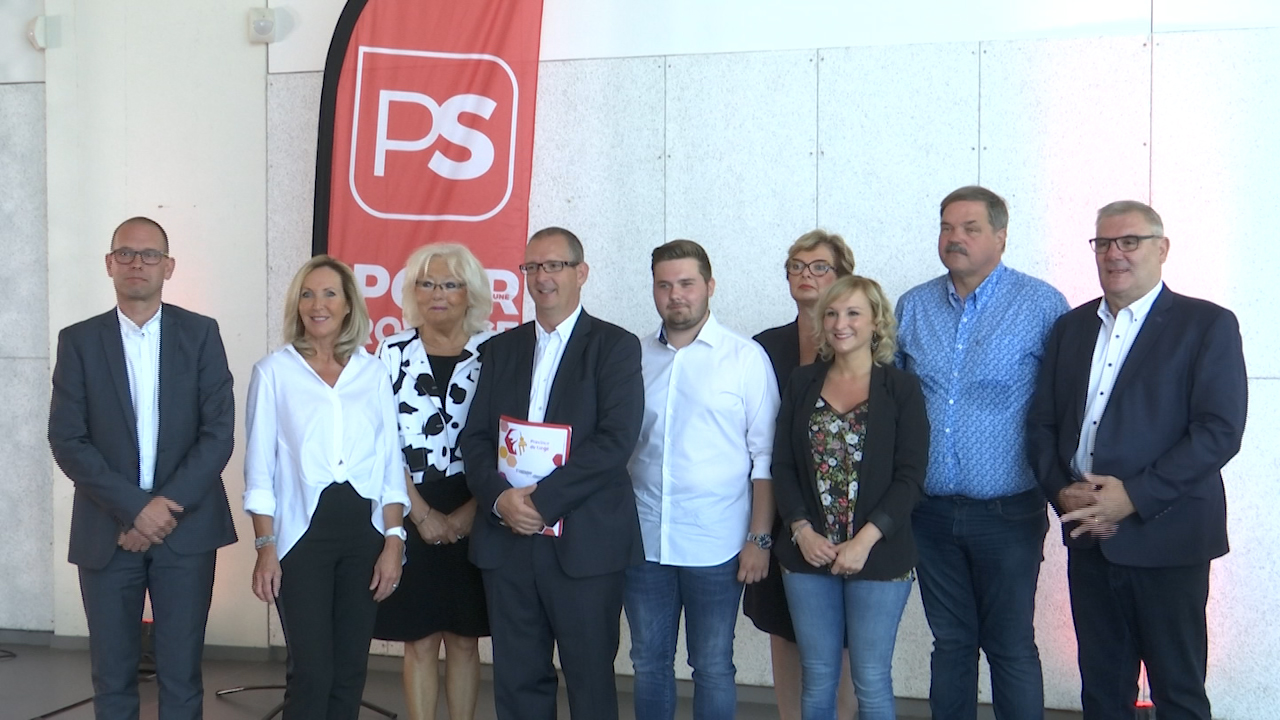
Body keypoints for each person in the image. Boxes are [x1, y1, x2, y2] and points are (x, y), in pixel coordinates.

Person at [1027, 201, 1247, 720]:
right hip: (1090, 540)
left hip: (1168, 538)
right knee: (1102, 695)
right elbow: (1041, 426)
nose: (1114, 254)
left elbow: (1218, 431)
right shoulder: (1071, 328)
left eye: (1130, 241)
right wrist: (1061, 492)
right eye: (1103, 243)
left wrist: (1133, 497)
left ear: (1162, 248)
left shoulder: (1206, 324)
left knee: (1178, 693)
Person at [49, 216, 237, 720]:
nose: (138, 263)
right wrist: (135, 509)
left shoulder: (201, 334)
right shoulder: (79, 341)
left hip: (186, 530)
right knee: (111, 679)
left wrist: (161, 511)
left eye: (150, 254)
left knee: (182, 677)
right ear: (109, 264)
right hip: (107, 531)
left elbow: (218, 433)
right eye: (126, 254)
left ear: (168, 266)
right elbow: (67, 439)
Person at [895, 186, 1067, 720]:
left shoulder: (1042, 305)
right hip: (929, 514)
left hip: (1008, 513)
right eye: (947, 227)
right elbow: (894, 405)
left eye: (970, 228)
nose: (955, 238)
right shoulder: (913, 306)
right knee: (951, 644)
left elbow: (1063, 404)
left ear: (1001, 236)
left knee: (1010, 645)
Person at [459, 227, 644, 720]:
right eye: (532, 267)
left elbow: (615, 441)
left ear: (581, 273)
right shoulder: (501, 349)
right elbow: (475, 439)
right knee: (517, 681)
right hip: (508, 543)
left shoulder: (615, 347)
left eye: (555, 265)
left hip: (584, 544)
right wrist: (501, 500)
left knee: (590, 682)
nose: (542, 277)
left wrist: (540, 503)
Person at [243, 255, 409, 720]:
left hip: (364, 537)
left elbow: (389, 465)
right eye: (308, 295)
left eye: (329, 294)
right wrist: (265, 547)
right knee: (312, 672)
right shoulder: (273, 372)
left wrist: (394, 541)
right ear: (297, 305)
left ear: (348, 304)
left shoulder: (373, 373)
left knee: (350, 670)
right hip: (301, 539)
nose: (318, 305)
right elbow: (259, 471)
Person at [626, 239, 779, 720]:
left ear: (710, 286)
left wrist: (759, 539)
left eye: (687, 283)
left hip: (718, 542)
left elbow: (765, 458)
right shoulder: (633, 357)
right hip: (645, 540)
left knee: (712, 666)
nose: (676, 295)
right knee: (647, 663)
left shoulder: (745, 358)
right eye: (664, 285)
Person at [772, 275, 929, 720]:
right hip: (808, 555)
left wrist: (864, 542)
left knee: (871, 680)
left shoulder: (902, 388)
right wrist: (801, 531)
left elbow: (911, 477)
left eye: (853, 313)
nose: (841, 323)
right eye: (832, 314)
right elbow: (782, 464)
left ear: (876, 321)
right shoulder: (802, 382)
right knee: (818, 676)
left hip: (880, 555)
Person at [372, 243, 494, 720]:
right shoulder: (391, 351)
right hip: (408, 502)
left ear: (471, 293)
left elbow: (507, 441)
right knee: (419, 639)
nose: (437, 294)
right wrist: (419, 514)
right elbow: (381, 440)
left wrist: (469, 514)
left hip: (479, 503)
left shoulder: (495, 351)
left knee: (464, 639)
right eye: (426, 283)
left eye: (449, 284)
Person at [748, 229, 859, 720]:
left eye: (818, 267)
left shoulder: (863, 348)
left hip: (850, 518)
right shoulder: (762, 348)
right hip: (781, 513)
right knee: (784, 628)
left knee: (847, 640)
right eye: (796, 266)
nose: (805, 275)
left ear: (843, 277)